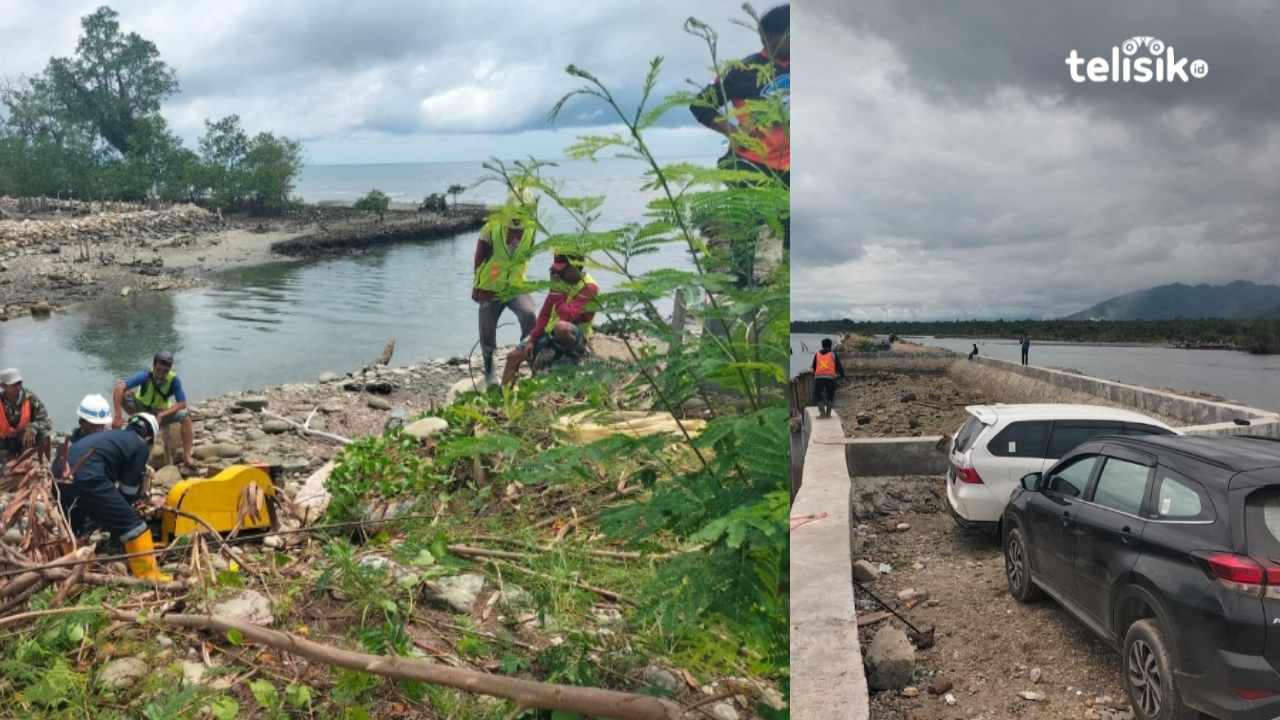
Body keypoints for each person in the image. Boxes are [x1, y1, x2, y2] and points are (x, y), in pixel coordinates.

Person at [690, 2, 790, 278]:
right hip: (753, 166)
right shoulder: (742, 70)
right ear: (770, 37)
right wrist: (733, 132)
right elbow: (701, 106)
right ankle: (739, 297)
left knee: (791, 244)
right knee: (746, 239)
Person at [61, 413, 170, 581]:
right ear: (148, 437)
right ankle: (149, 576)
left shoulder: (114, 437)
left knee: (75, 526)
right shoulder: (139, 446)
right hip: (87, 475)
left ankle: (69, 570)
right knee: (133, 525)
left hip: (61, 476)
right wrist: (122, 514)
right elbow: (128, 491)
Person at [502, 254, 599, 388]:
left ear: (575, 268)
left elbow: (568, 316)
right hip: (551, 332)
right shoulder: (559, 284)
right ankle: (503, 398)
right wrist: (532, 339)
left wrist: (557, 293)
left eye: (561, 270)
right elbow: (545, 314)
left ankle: (570, 357)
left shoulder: (589, 288)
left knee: (561, 327)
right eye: (556, 270)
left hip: (575, 336)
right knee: (513, 357)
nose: (557, 274)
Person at [473, 194, 538, 386]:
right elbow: (479, 259)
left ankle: (526, 358)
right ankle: (489, 370)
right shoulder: (490, 228)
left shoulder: (532, 229)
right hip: (490, 286)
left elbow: (527, 255)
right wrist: (477, 287)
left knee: (530, 315)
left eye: (519, 227)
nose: (516, 232)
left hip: (516, 285)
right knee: (487, 328)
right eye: (512, 226)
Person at [113, 351, 195, 467]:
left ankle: (187, 456)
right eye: (159, 370)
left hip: (160, 413)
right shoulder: (145, 375)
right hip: (140, 408)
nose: (161, 374)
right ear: (154, 366)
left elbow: (182, 403)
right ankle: (124, 430)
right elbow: (119, 388)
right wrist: (117, 416)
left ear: (170, 369)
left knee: (185, 418)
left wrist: (163, 414)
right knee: (122, 389)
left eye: (165, 371)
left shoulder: (174, 380)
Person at [52, 394, 113, 480]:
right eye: (94, 426)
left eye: (102, 425)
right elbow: (57, 475)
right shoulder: (68, 444)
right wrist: (62, 463)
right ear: (81, 422)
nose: (99, 430)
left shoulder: (110, 440)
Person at [0, 368, 53, 462]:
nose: (18, 387)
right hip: (4, 442)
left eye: (19, 383)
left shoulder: (30, 398)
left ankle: (45, 467)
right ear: (3, 386)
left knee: (44, 435)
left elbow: (46, 421)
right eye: (13, 385)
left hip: (26, 440)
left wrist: (33, 427)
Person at [812, 338, 845, 418]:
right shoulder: (833, 354)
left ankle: (822, 413)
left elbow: (814, 367)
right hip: (830, 378)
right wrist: (842, 376)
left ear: (822, 345)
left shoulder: (817, 354)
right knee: (830, 395)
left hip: (819, 377)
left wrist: (816, 375)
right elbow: (839, 367)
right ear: (830, 346)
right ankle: (828, 414)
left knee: (817, 394)